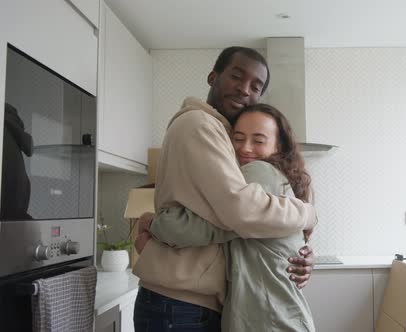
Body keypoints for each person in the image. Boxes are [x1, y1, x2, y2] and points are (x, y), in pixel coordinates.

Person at [132, 47, 317, 332]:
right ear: (212, 77)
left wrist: (297, 241)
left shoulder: (247, 157)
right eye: (237, 76)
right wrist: (305, 215)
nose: (244, 89)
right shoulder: (200, 124)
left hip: (189, 303)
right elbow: (241, 212)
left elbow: (239, 217)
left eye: (255, 86)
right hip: (180, 304)